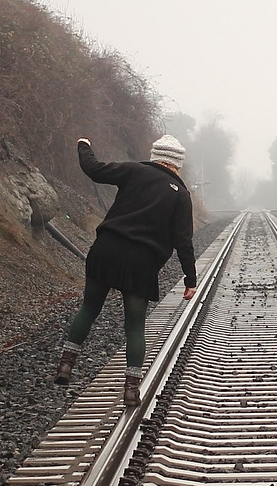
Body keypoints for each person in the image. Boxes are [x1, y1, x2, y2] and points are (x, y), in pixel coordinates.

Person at [55, 134, 197, 405]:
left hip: (107, 249)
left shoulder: (134, 171)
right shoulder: (181, 195)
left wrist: (84, 146)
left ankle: (65, 365)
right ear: (177, 164)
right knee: (134, 325)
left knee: (89, 308)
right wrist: (190, 278)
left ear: (155, 155)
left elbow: (94, 170)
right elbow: (183, 241)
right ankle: (131, 389)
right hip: (141, 262)